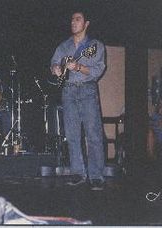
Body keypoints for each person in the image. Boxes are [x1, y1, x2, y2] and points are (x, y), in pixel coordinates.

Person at [50, 10, 106, 190]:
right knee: (72, 135)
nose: (73, 22)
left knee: (93, 134)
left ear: (86, 23)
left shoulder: (95, 45)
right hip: (68, 92)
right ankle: (77, 173)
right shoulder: (63, 46)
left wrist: (79, 67)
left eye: (77, 19)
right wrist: (56, 68)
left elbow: (98, 71)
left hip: (87, 90)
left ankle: (96, 175)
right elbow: (54, 63)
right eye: (72, 19)